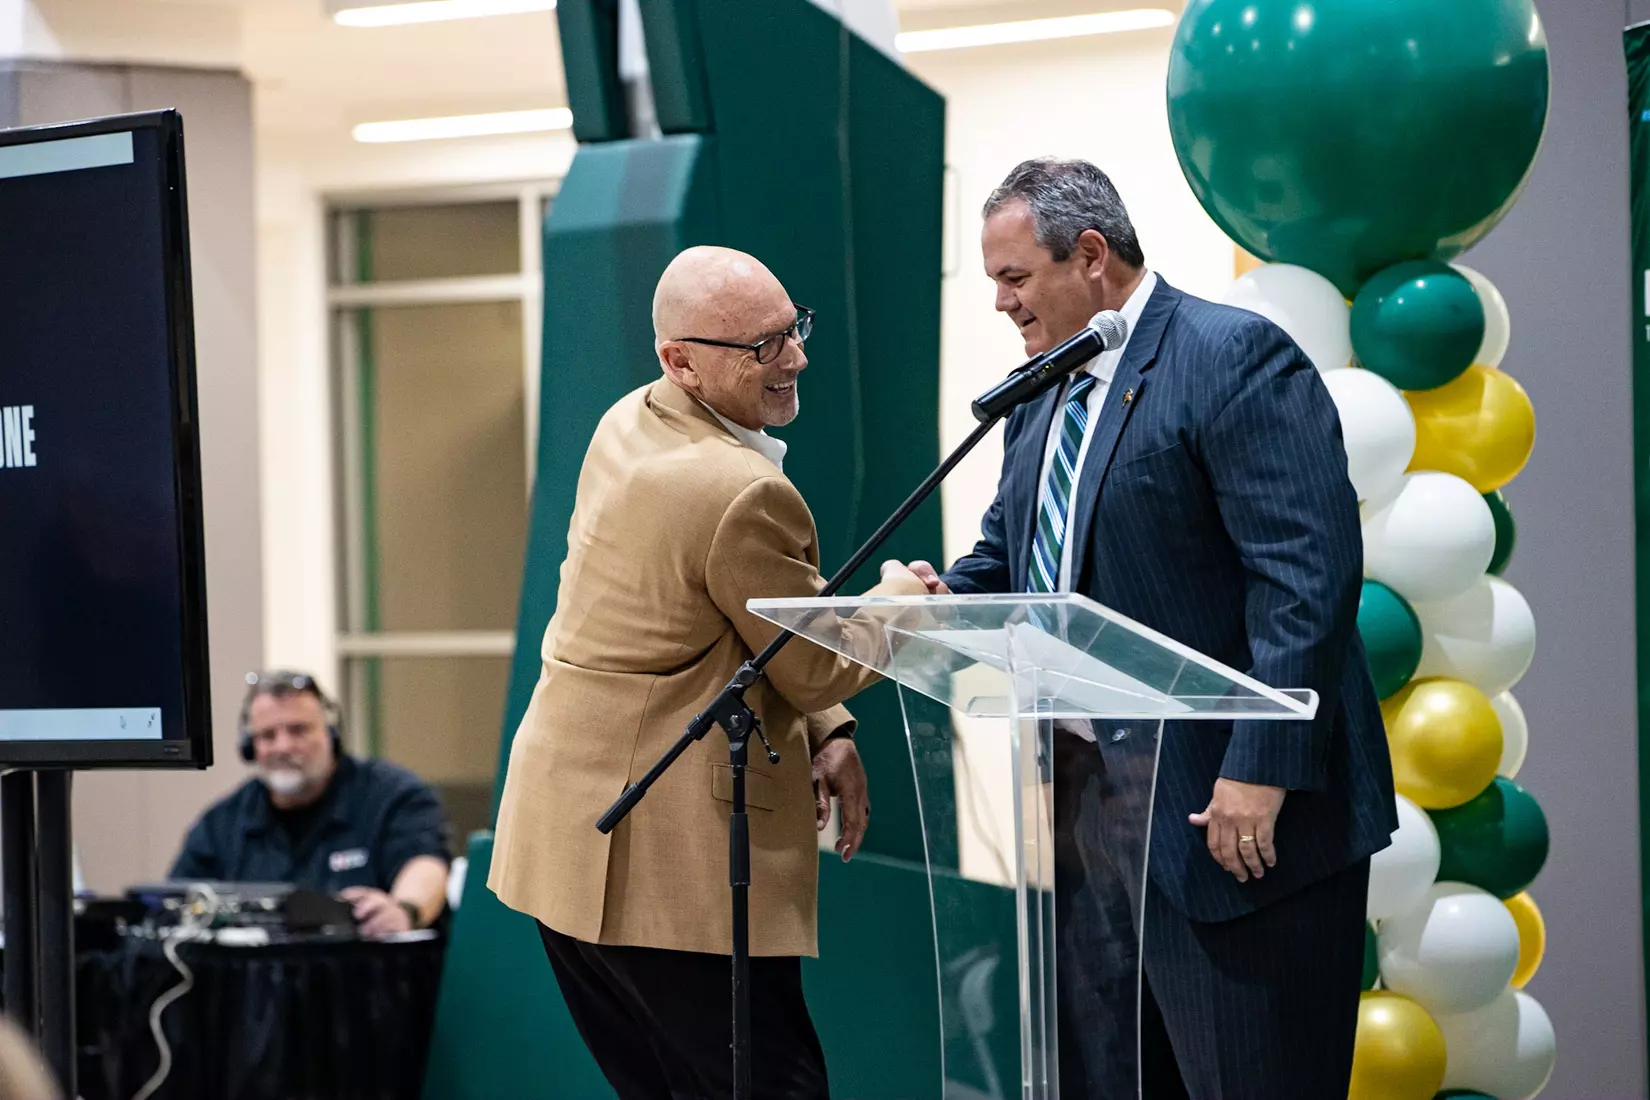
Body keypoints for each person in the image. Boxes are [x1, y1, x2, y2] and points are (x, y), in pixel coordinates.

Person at [913, 159, 1398, 1098]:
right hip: (1093, 820)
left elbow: (1307, 577)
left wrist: (1260, 768)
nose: (1003, 305)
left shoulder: (1230, 356)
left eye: (1014, 278)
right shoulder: (1041, 392)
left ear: (1090, 255)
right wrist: (933, 598)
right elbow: (1018, 563)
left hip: (1234, 817)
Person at [489, 245, 930, 1099]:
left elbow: (707, 623)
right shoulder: (737, 490)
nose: (794, 359)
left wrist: (828, 732)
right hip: (665, 867)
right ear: (680, 361)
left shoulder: (629, 422)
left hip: (563, 842)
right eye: (760, 347)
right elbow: (806, 664)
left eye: (791, 329)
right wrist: (905, 598)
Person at [170, 670, 451, 938]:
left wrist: (404, 910)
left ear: (332, 734)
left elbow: (425, 865)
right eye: (268, 735)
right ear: (249, 748)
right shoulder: (223, 824)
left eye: (298, 730)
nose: (283, 747)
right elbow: (176, 900)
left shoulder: (394, 796)